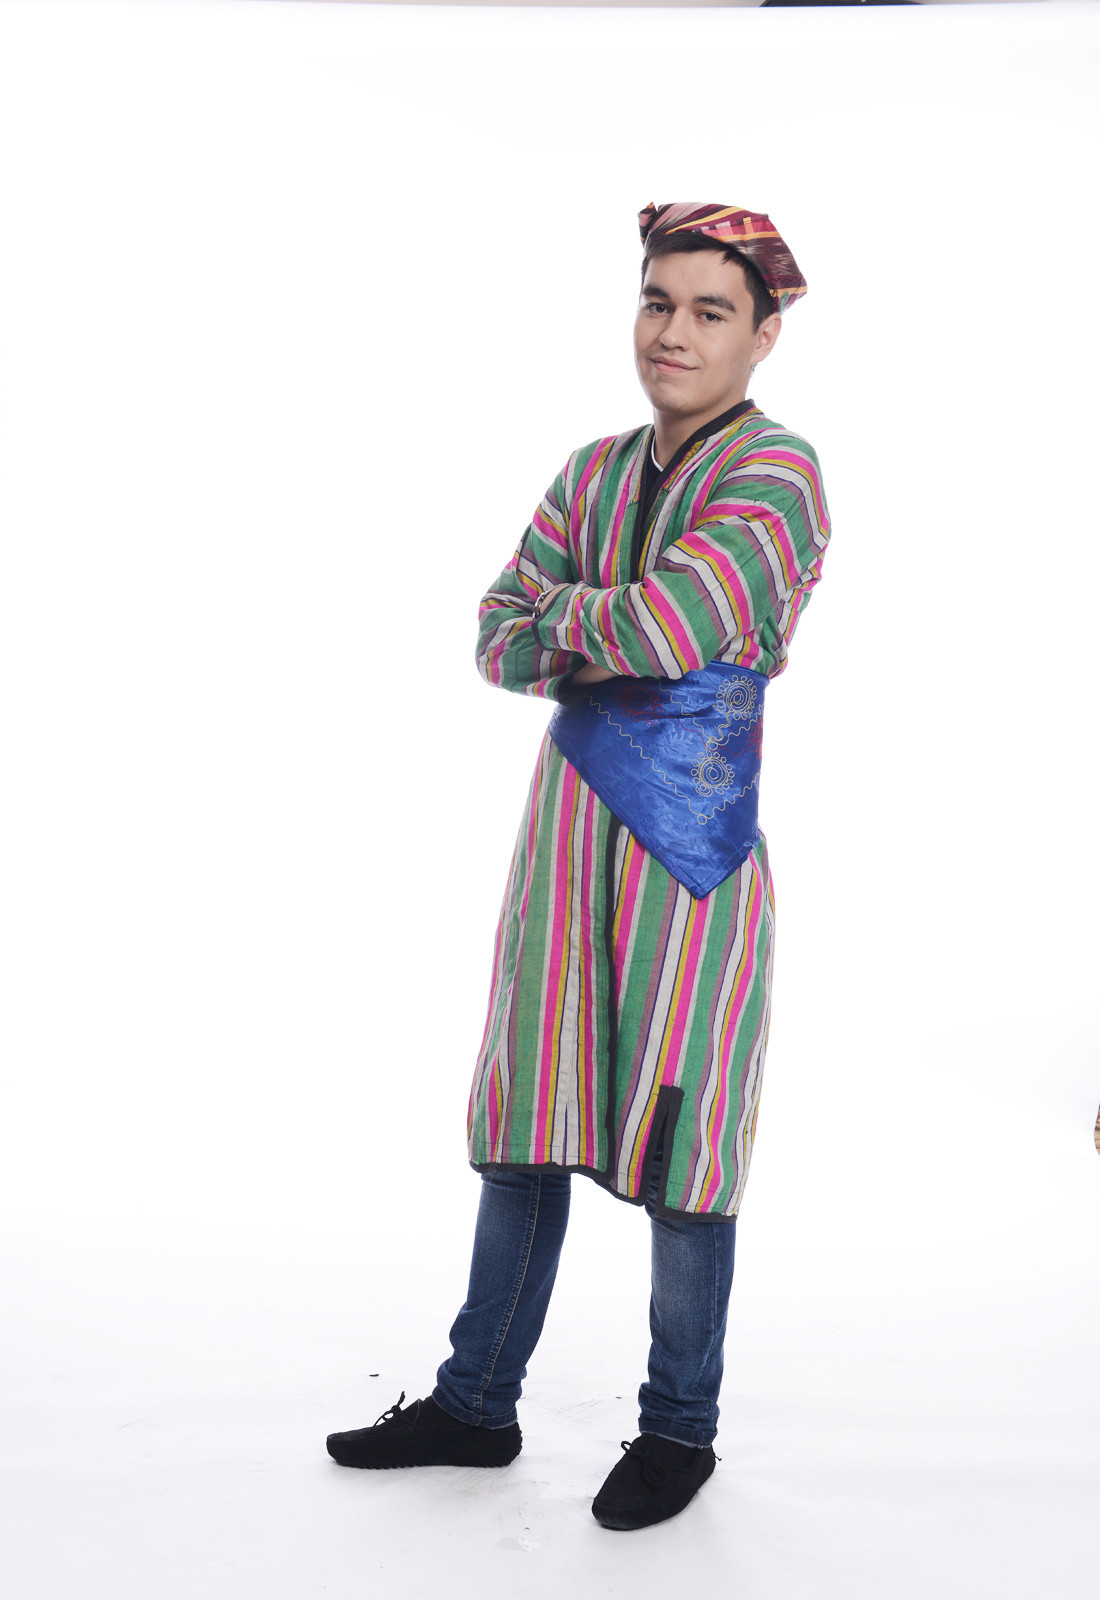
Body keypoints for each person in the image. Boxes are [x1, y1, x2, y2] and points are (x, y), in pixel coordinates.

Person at [326, 200, 832, 1531]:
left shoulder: (780, 472)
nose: (675, 332)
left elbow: (673, 623)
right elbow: (496, 638)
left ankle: (679, 1429)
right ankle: (475, 1403)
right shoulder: (592, 469)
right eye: (658, 301)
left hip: (691, 851)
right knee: (526, 1120)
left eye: (710, 310)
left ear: (764, 334)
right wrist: (602, 632)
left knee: (685, 1140)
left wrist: (578, 624)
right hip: (562, 838)